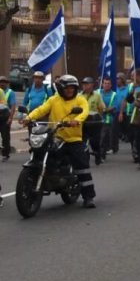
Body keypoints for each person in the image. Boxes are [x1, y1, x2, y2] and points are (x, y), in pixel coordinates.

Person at [21, 75, 96, 208]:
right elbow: (41, 109)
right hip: (56, 137)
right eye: (67, 88)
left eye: (72, 88)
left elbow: (84, 111)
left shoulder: (80, 99)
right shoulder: (54, 99)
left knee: (81, 166)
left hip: (73, 138)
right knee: (41, 152)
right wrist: (28, 117)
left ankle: (88, 197)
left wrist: (76, 120)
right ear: (61, 88)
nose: (70, 90)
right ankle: (48, 177)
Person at [80, 77, 105, 165]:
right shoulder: (79, 95)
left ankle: (98, 155)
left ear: (92, 85)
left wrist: (101, 118)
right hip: (83, 122)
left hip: (94, 122)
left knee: (94, 141)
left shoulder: (97, 95)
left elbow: (101, 108)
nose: (85, 86)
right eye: (84, 84)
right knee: (82, 141)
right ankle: (84, 157)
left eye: (87, 84)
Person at [98, 78, 119, 162]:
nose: (106, 85)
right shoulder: (97, 92)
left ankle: (102, 156)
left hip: (108, 120)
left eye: (108, 83)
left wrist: (104, 110)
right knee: (98, 138)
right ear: (102, 84)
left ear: (111, 85)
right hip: (97, 119)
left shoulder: (114, 94)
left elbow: (115, 106)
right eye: (105, 83)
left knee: (103, 139)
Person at [0, 75, 17, 162]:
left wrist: (10, 118)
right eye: (1, 82)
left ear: (7, 83)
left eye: (4, 82)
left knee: (5, 136)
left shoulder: (10, 92)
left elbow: (13, 106)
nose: (2, 83)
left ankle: (6, 154)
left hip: (5, 116)